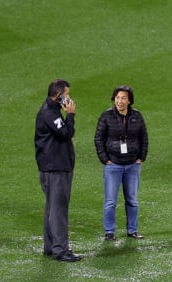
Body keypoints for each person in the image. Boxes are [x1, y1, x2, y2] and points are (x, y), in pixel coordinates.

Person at [34, 79, 81, 262]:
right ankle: (60, 250)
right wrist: (70, 115)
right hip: (56, 169)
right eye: (67, 95)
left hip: (53, 167)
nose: (69, 98)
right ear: (58, 96)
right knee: (59, 210)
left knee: (52, 209)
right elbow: (65, 133)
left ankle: (50, 246)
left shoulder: (51, 110)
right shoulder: (49, 113)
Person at [94, 85, 148, 241]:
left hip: (132, 165)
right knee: (110, 201)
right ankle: (109, 232)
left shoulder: (137, 116)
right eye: (117, 98)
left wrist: (141, 158)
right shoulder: (106, 116)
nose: (119, 101)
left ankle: (132, 230)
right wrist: (106, 160)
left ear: (129, 100)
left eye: (123, 98)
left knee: (132, 200)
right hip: (113, 165)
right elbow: (98, 139)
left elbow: (144, 138)